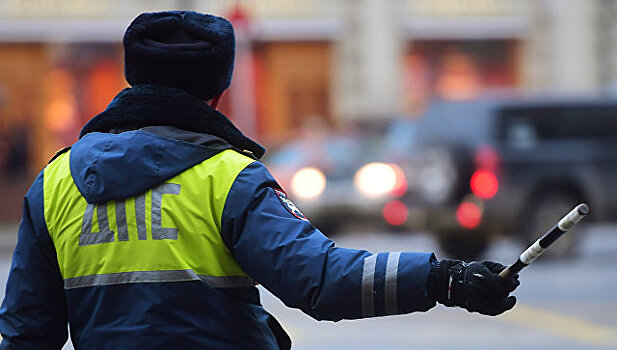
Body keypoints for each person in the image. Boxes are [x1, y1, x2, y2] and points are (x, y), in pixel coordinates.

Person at [0, 11, 519, 349]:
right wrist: (442, 279)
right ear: (219, 92)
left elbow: (23, 335)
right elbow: (324, 282)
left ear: (133, 76)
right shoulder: (228, 178)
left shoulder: (55, 184)